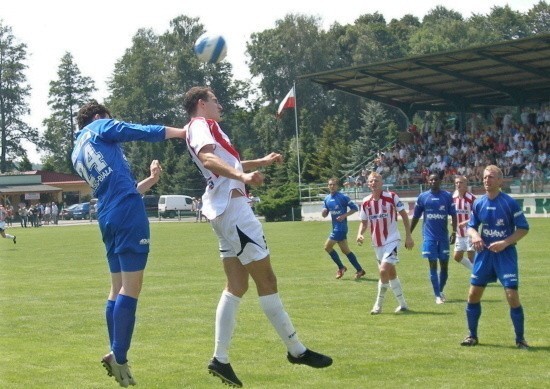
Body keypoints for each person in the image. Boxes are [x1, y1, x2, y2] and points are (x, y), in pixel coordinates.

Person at [184, 86, 332, 388]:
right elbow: (209, 160)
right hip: (235, 212)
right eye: (215, 100)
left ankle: (220, 360)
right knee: (268, 281)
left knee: (236, 285)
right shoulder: (201, 125)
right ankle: (296, 350)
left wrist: (259, 163)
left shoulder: (205, 128)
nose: (220, 105)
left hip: (223, 212)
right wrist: (242, 177)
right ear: (202, 104)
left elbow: (225, 163)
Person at [72, 100, 186, 387]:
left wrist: (152, 179)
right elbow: (136, 130)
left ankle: (115, 351)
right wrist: (182, 133)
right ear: (98, 116)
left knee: (117, 287)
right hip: (127, 214)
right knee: (132, 288)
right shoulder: (100, 126)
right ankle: (119, 358)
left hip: (108, 215)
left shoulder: (76, 150)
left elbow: (120, 188)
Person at [460, 165, 530, 349]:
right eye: (484, 177)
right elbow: (471, 226)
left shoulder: (509, 203)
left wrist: (505, 242)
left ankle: (520, 339)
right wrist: (474, 235)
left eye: (491, 177)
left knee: (511, 295)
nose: (486, 180)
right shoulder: (478, 203)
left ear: (500, 181)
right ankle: (472, 336)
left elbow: (523, 228)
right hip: (485, 254)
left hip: (505, 254)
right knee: (473, 294)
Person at [356, 172, 414, 314]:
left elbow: (404, 215)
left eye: (376, 180)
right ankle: (403, 304)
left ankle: (378, 305)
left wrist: (408, 236)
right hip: (377, 243)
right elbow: (363, 223)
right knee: (391, 273)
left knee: (382, 270)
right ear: (368, 184)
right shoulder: (366, 202)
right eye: (371, 181)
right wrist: (359, 234)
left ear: (382, 183)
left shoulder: (391, 197)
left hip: (392, 240)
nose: (373, 183)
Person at [410, 173, 457, 304]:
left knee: (444, 267)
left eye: (436, 179)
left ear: (440, 181)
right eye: (431, 180)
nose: (433, 181)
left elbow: (453, 214)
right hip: (429, 237)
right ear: (427, 181)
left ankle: (440, 291)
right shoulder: (423, 197)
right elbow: (415, 216)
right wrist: (409, 233)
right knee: (432, 265)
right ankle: (437, 295)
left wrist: (454, 231)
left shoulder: (447, 196)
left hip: (443, 237)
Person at [322, 177, 366, 280]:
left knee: (327, 247)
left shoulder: (342, 197)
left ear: (337, 186)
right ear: (328, 186)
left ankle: (341, 267)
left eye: (333, 184)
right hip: (335, 227)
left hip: (341, 228)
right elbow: (325, 213)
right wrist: (324, 212)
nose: (332, 186)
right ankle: (360, 270)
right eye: (330, 184)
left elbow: (355, 208)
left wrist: (344, 215)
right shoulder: (327, 198)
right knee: (346, 251)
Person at [452, 176, 476, 270]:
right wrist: (453, 221)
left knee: (471, 258)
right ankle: (476, 272)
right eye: (457, 183)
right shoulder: (453, 198)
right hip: (459, 233)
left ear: (466, 184)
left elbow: (477, 216)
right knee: (457, 257)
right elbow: (454, 213)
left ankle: (477, 276)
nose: (458, 184)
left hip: (470, 232)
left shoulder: (472, 198)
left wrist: (466, 222)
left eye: (461, 182)